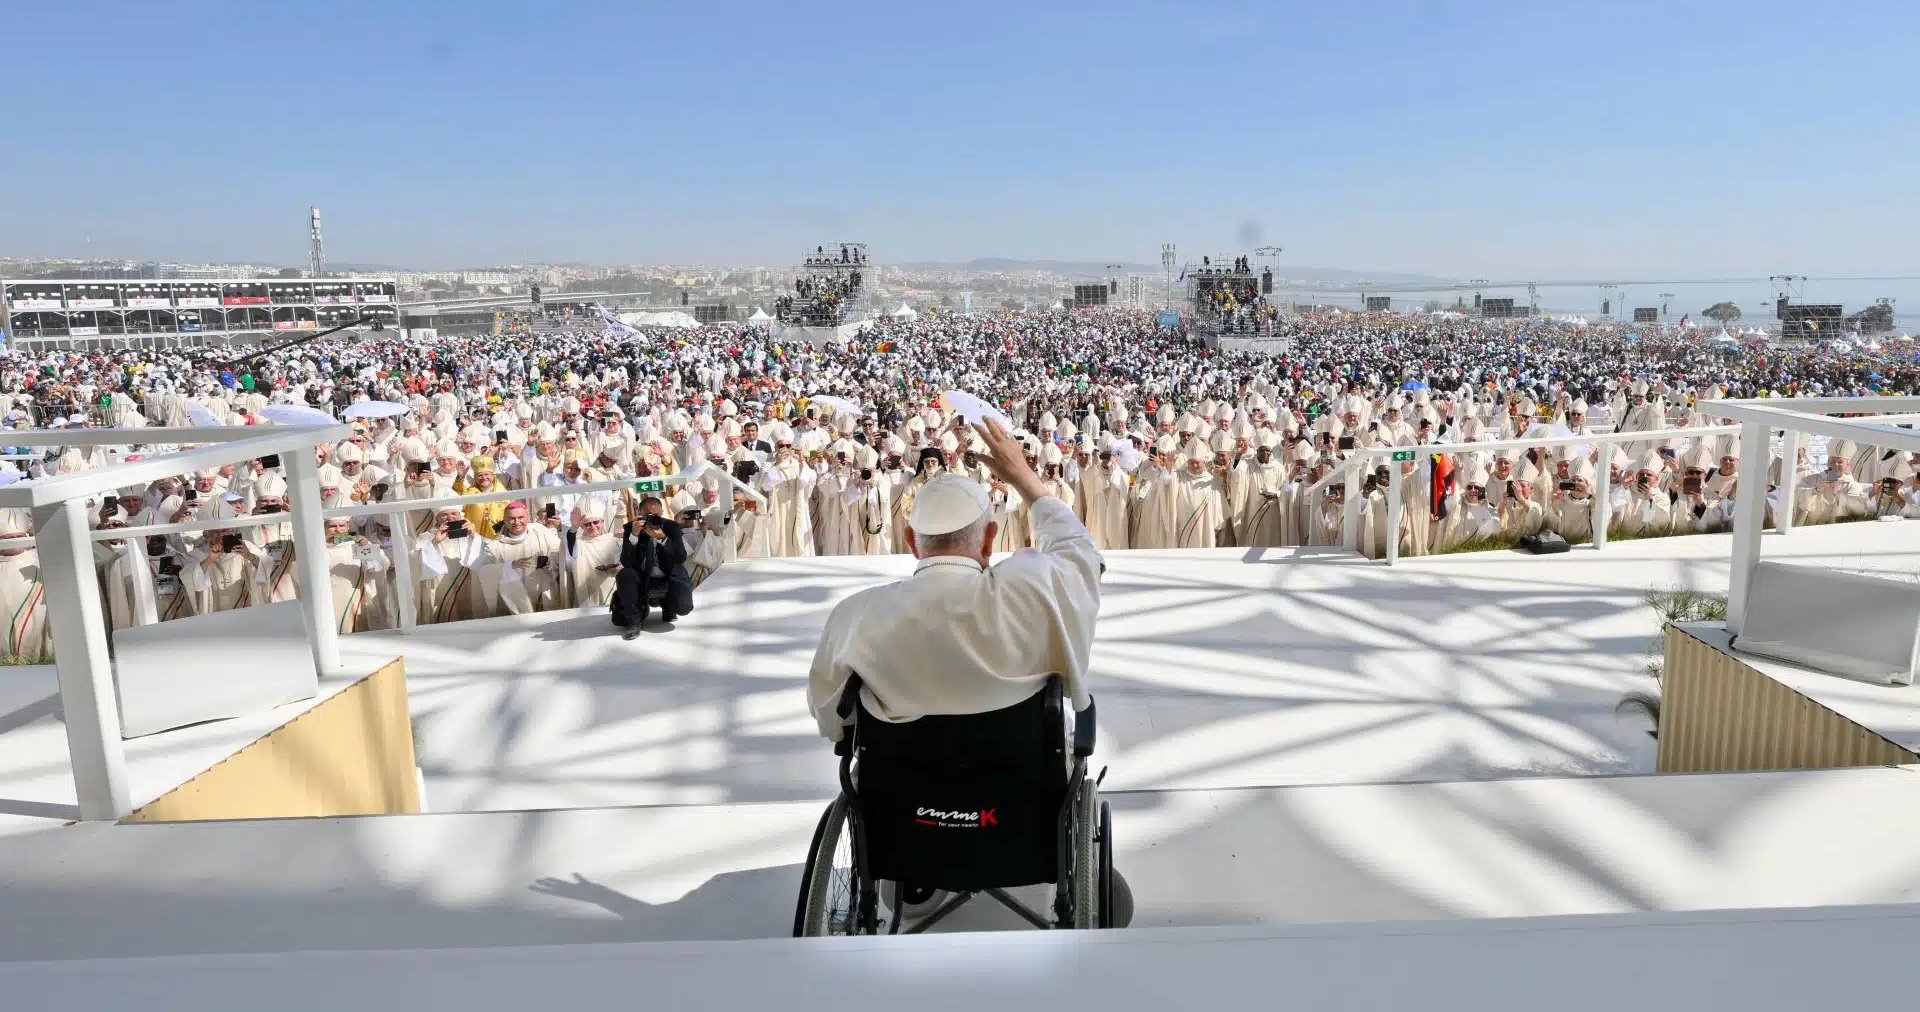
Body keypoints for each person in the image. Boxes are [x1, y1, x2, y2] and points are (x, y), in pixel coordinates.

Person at [806, 418, 1103, 739]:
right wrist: (1023, 477)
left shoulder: (855, 616)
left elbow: (832, 719)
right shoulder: (1034, 588)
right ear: (990, 539)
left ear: (911, 541)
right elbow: (1080, 552)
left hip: (896, 786)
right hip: (1025, 783)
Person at [611, 496, 693, 638]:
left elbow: (680, 557)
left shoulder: (671, 527)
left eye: (658, 515)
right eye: (649, 516)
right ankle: (634, 621)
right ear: (640, 515)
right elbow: (626, 562)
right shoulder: (631, 528)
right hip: (643, 576)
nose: (654, 519)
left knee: (683, 607)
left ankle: (669, 607)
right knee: (625, 574)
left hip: (669, 574)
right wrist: (634, 537)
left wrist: (662, 538)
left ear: (662, 513)